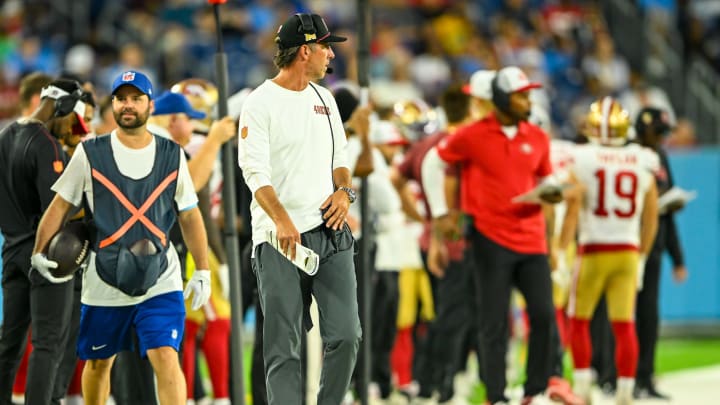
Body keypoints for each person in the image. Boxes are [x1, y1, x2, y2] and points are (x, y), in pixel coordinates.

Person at [28, 70, 212, 405]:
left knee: (167, 357)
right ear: (112, 104)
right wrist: (39, 250)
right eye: (121, 98)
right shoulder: (89, 153)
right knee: (98, 363)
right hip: (104, 281)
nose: (128, 105)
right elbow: (60, 207)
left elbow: (190, 214)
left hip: (161, 277)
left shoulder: (171, 153)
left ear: (149, 105)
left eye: (136, 98)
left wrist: (203, 269)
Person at [237, 12, 361, 405]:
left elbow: (340, 158)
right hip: (279, 240)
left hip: (331, 230)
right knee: (283, 347)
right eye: (326, 47)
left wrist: (343, 191)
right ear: (305, 50)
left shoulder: (325, 99)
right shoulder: (259, 103)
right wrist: (281, 220)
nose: (331, 56)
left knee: (347, 335)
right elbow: (254, 172)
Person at [436, 66, 562, 405]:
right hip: (490, 238)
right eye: (521, 95)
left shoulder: (537, 137)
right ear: (503, 98)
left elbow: (546, 183)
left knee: (544, 315)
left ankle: (534, 391)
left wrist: (552, 238)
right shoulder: (472, 134)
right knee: (493, 321)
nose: (527, 100)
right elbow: (440, 165)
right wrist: (446, 212)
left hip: (532, 237)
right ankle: (496, 394)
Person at [559, 97, 659, 405]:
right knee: (624, 324)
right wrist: (642, 254)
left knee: (579, 320)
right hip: (627, 251)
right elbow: (651, 215)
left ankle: (584, 387)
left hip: (593, 249)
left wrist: (562, 246)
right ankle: (626, 392)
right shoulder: (643, 158)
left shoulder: (581, 156)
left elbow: (573, 200)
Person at [0, 78, 90, 405]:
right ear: (63, 107)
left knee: (9, 343)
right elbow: (60, 208)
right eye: (74, 117)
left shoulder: (6, 134)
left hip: (10, 253)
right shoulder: (46, 145)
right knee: (48, 344)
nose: (74, 126)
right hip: (47, 255)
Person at [633, 107, 687, 400]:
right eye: (659, 132)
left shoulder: (660, 158)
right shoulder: (628, 156)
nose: (663, 139)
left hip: (653, 246)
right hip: (628, 244)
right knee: (618, 315)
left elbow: (667, 211)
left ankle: (645, 376)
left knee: (648, 315)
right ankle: (613, 375)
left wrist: (677, 258)